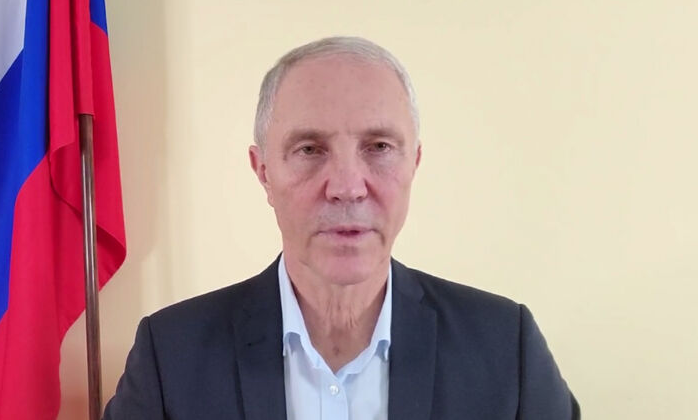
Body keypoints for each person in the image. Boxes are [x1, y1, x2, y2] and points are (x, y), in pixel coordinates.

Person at [103, 36, 579, 420]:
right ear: (263, 171)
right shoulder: (171, 355)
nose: (347, 188)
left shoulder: (506, 348)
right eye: (310, 149)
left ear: (414, 163)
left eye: (379, 147)